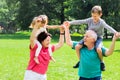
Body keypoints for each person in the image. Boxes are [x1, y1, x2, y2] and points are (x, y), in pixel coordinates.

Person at [64, 5, 119, 71]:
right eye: (92, 16)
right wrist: (70, 22)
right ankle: (80, 61)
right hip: (88, 37)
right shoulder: (90, 20)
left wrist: (115, 32)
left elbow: (108, 27)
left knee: (98, 49)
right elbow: (80, 21)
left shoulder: (101, 22)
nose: (94, 18)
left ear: (100, 14)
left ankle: (102, 62)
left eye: (95, 16)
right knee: (77, 47)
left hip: (98, 38)